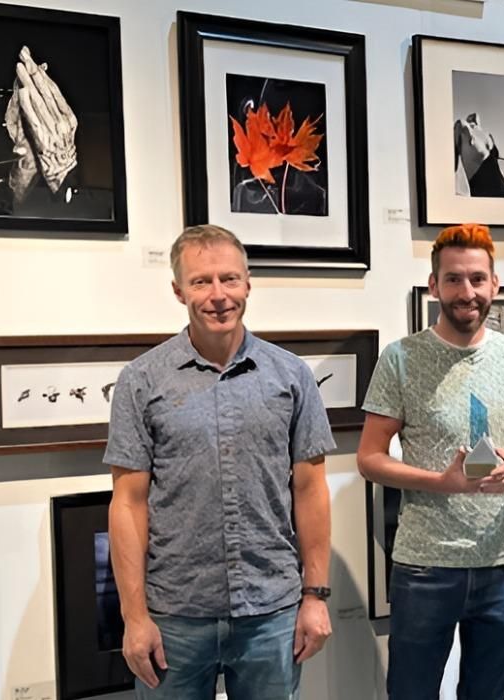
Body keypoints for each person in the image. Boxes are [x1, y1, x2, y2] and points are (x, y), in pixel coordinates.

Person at [105, 224, 335, 699]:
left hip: (271, 611)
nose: (218, 295)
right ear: (178, 291)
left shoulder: (291, 376)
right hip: (175, 614)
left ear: (248, 283)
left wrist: (315, 597)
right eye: (201, 282)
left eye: (229, 279)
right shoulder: (141, 381)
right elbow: (128, 504)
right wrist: (134, 617)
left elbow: (310, 490)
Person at [356, 223, 504, 699]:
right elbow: (369, 459)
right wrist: (441, 482)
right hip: (425, 567)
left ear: (494, 284)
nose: (468, 292)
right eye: (455, 279)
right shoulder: (400, 358)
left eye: (478, 279)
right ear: (434, 286)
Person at [454, 113, 504, 198]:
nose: (474, 115)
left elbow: (497, 158)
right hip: (484, 193)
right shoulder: (462, 126)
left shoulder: (487, 135)